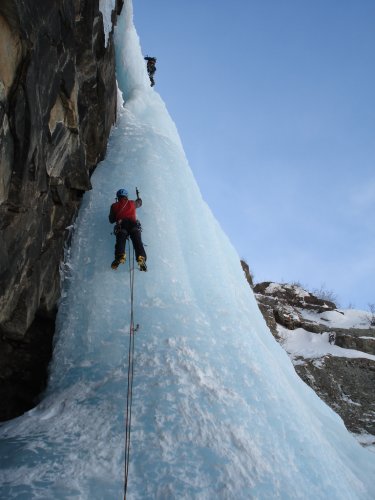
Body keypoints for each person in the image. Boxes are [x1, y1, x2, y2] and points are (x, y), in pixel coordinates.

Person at [109, 188, 147, 271]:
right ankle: (141, 257)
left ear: (118, 197)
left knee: (121, 240)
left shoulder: (114, 206)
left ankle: (120, 255)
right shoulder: (132, 203)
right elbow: (139, 203)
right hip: (134, 225)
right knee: (137, 241)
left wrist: (116, 213)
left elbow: (111, 220)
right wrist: (139, 199)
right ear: (126, 196)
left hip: (122, 225)